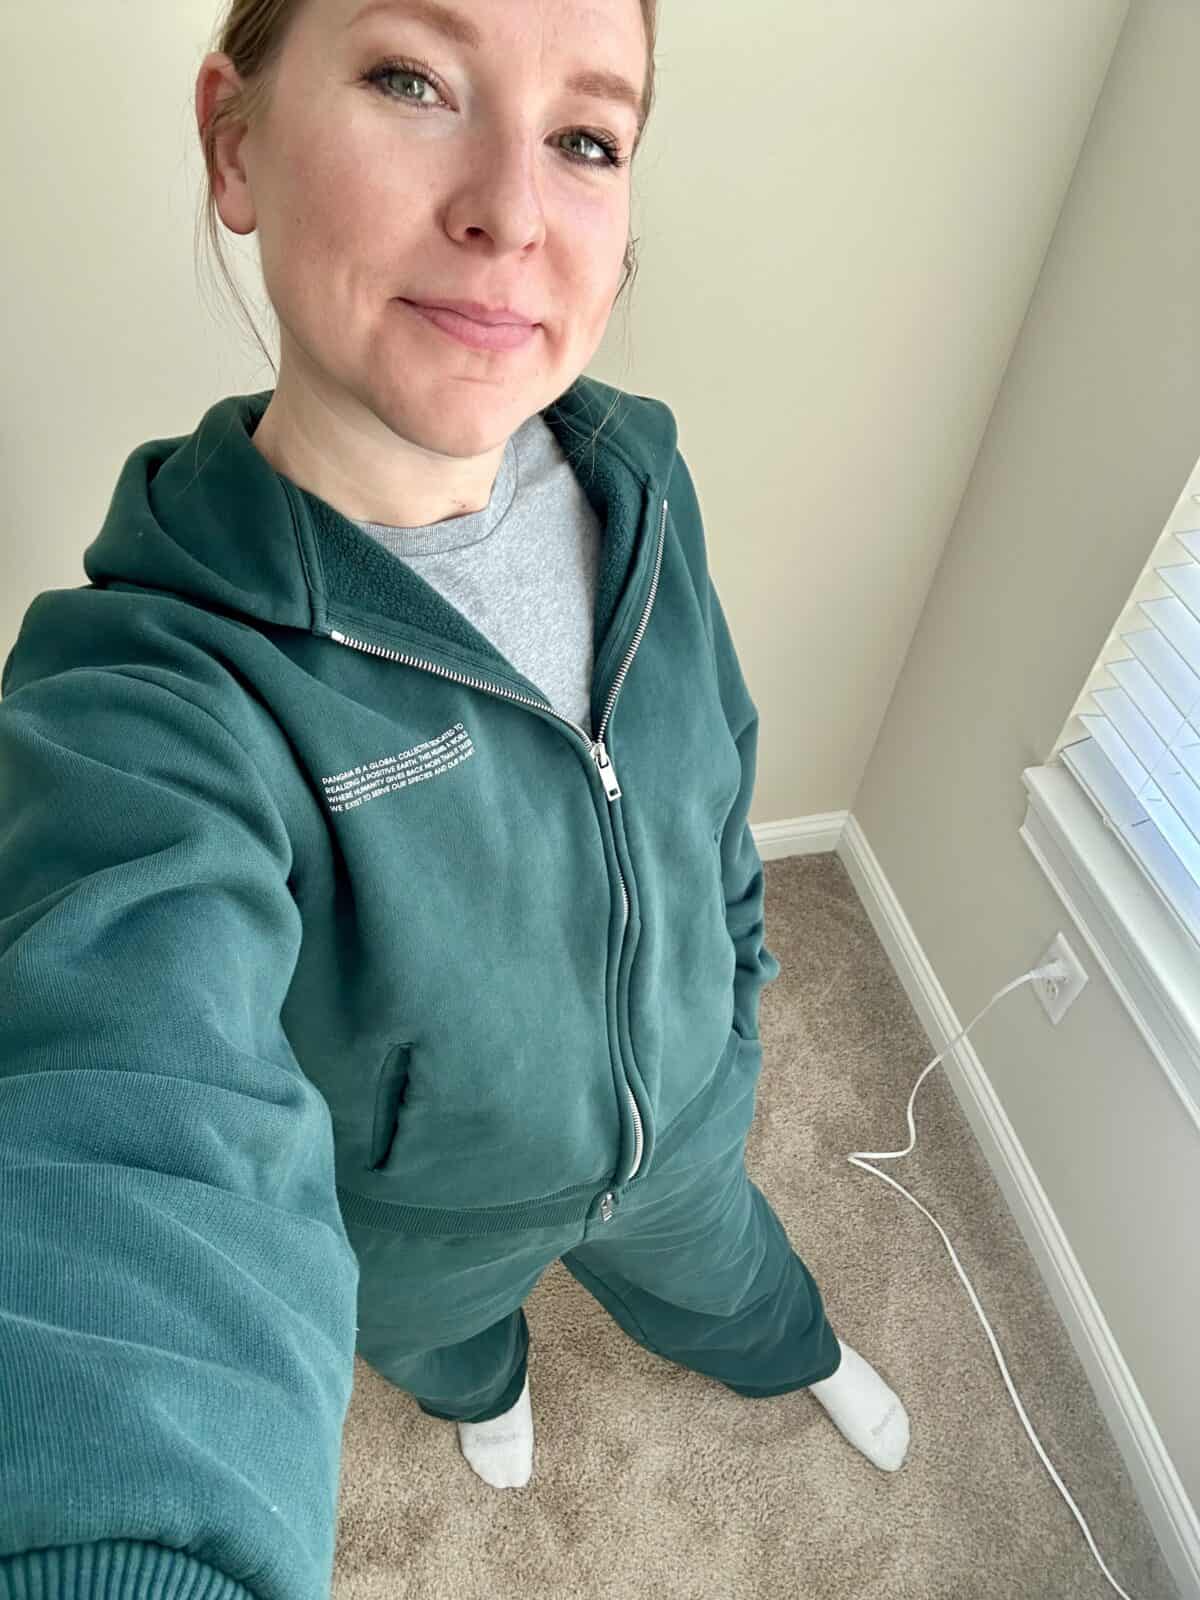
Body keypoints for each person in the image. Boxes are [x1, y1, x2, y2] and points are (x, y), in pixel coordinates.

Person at [0, 0, 909, 1594]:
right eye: (414, 81)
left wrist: (740, 1004)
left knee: (739, 1282)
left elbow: (714, 791)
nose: (512, 207)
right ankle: (485, 1387)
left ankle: (789, 1350)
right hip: (418, 1234)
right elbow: (117, 1147)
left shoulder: (643, 485)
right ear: (236, 141)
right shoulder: (143, 698)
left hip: (684, 1129)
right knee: (450, 1349)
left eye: (585, 138)